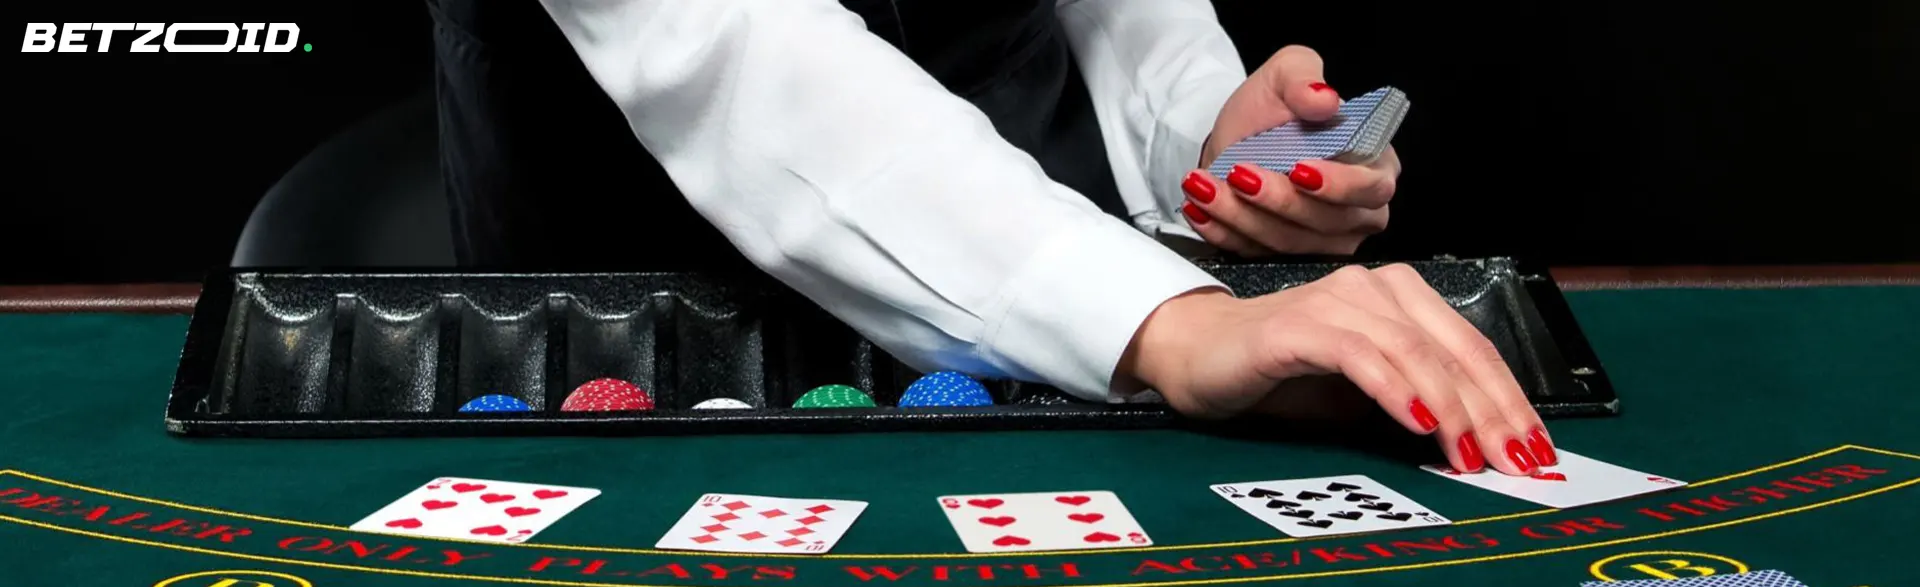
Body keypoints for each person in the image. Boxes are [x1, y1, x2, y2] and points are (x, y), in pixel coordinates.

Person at [427, 0, 1554, 477]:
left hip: (1058, 332)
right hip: (647, 332)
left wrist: (1199, 133)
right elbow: (738, 45)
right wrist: (1166, 321)